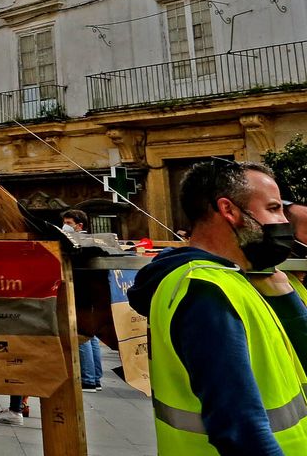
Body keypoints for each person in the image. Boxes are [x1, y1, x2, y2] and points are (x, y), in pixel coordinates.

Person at [127, 159, 307, 455]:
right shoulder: (205, 290)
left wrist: (284, 295)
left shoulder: (238, 279)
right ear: (229, 211)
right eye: (273, 209)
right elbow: (238, 426)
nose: (283, 223)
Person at [55, 208, 104, 392]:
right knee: (90, 336)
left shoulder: (79, 242)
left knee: (80, 334)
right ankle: (96, 377)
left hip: (80, 289)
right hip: (91, 292)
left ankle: (88, 379)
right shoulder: (93, 241)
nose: (65, 227)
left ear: (79, 225)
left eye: (68, 224)